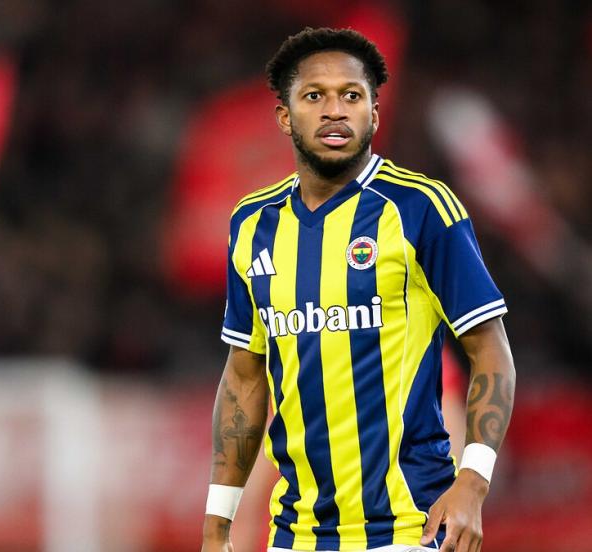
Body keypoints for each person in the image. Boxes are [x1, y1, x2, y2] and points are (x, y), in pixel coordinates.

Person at [201, 28, 515, 552]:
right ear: (284, 116)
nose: (334, 110)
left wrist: (473, 480)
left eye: (351, 95)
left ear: (374, 113)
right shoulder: (252, 224)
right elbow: (244, 376)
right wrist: (218, 524)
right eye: (314, 96)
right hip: (294, 534)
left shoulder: (421, 208)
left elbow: (491, 351)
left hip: (409, 526)